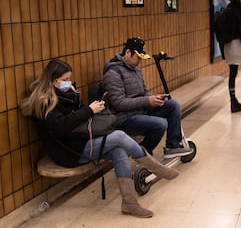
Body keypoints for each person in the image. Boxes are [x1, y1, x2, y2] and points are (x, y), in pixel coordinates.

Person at [20, 59, 179, 218]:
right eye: (65, 80)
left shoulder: (69, 94)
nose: (69, 83)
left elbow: (79, 118)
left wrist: (92, 109)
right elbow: (61, 127)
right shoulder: (44, 102)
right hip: (68, 151)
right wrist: (89, 110)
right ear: (53, 80)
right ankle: (157, 169)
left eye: (69, 79)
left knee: (118, 151)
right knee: (119, 136)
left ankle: (129, 204)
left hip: (81, 141)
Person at [102, 37, 194, 158]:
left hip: (141, 110)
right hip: (124, 118)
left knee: (173, 105)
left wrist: (154, 98)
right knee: (160, 124)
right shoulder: (113, 72)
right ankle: (143, 153)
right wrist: (147, 101)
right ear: (128, 52)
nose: (140, 61)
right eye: (138, 57)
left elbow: (144, 91)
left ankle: (173, 146)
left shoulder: (135, 69)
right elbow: (118, 103)